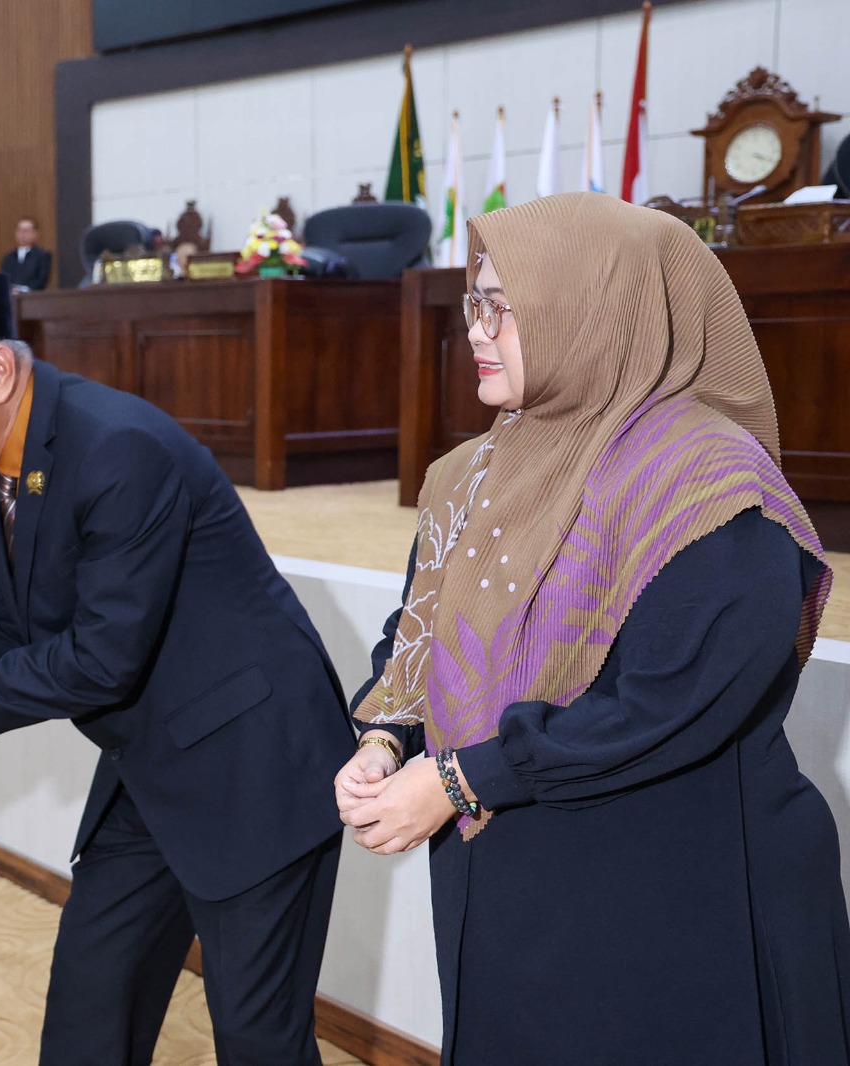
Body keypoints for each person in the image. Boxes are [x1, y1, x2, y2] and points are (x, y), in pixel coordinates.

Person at [333, 193, 845, 1065]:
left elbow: (669, 702)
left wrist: (460, 781)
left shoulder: (706, 484)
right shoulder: (472, 470)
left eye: (506, 307)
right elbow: (422, 626)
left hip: (670, 897)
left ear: (596, 315)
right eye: (474, 302)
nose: (476, 329)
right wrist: (387, 737)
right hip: (512, 885)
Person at [0, 273, 356, 1065]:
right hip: (154, 764)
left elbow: (100, 662)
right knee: (89, 1015)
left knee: (257, 1043)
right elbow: (7, 629)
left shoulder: (117, 449)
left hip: (255, 765)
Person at [0, 216, 52, 292]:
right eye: (19, 230)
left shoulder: (42, 256)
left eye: (26, 231)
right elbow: (4, 278)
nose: (22, 234)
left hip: (32, 296)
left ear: (35, 233)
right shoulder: (8, 257)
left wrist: (23, 290)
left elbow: (41, 280)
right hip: (11, 296)